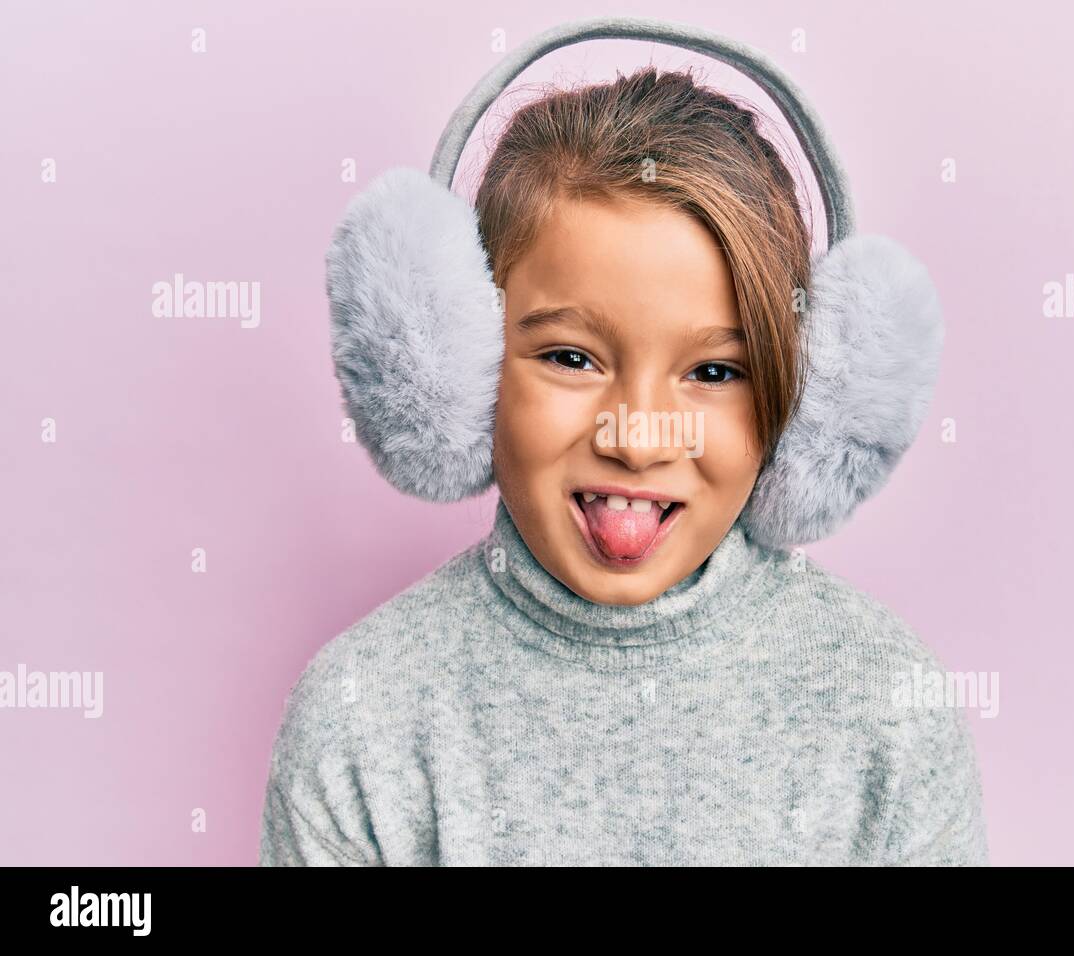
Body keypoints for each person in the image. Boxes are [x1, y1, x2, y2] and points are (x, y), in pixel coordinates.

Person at [258, 65, 989, 866]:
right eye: (571, 357)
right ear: (457, 370)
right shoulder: (364, 717)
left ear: (807, 404)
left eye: (714, 372)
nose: (638, 438)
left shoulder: (887, 707)